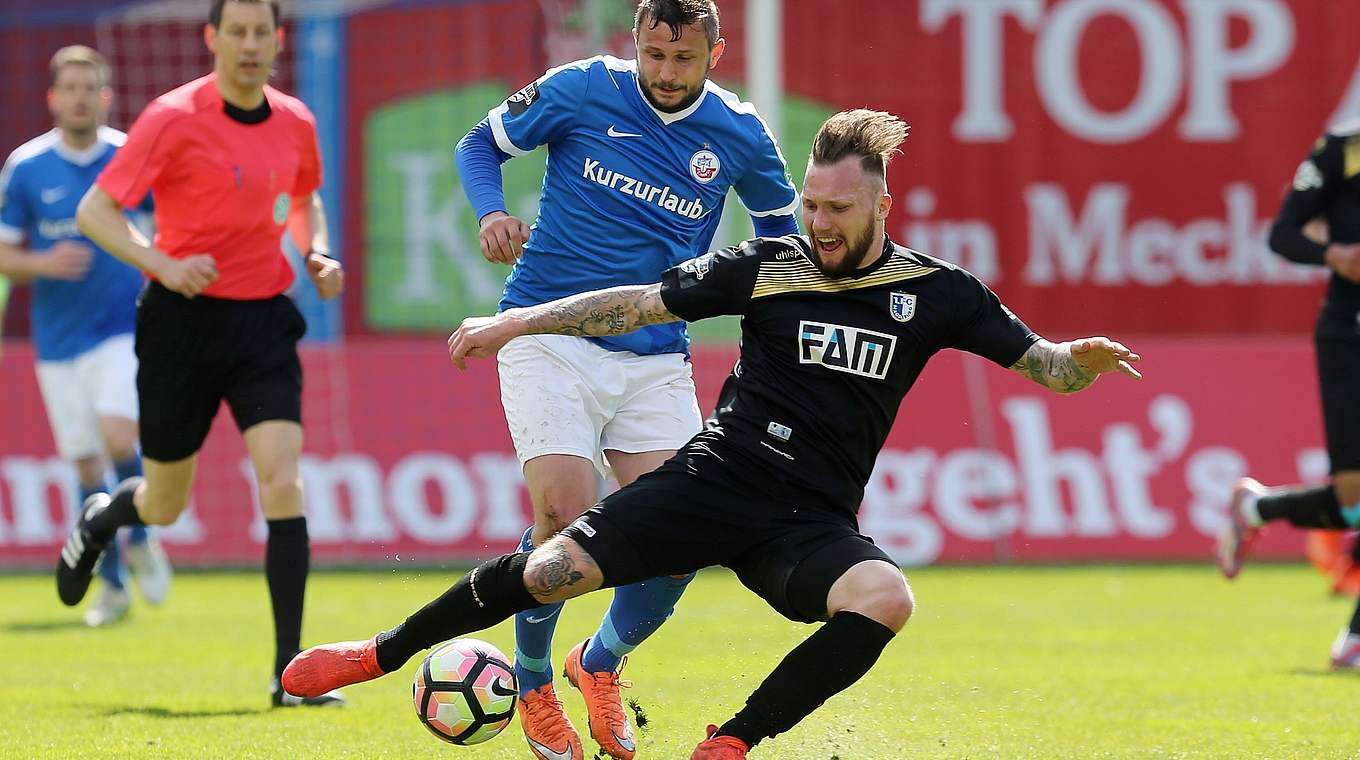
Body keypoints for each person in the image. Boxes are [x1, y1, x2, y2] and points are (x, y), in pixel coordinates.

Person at [283, 110, 1142, 758]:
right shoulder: (768, 265)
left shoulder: (939, 290)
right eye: (810, 204)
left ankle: (729, 742)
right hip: (713, 479)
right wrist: (516, 324)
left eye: (840, 208)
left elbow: (1044, 365)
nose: (821, 223)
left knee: (886, 598)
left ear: (885, 201)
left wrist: (1078, 358)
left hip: (807, 522)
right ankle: (382, 652)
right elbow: (634, 303)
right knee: (549, 570)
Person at [453, 1, 799, 757]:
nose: (666, 74)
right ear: (635, 44)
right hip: (545, 334)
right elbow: (479, 144)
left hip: (654, 356)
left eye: (682, 59)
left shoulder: (740, 134)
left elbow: (784, 242)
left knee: (680, 537)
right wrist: (490, 214)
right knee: (566, 514)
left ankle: (599, 663)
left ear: (715, 51)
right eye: (653, 56)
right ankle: (536, 680)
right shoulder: (580, 88)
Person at [54, 0, 346, 707]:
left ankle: (292, 677)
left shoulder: (297, 121)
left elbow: (306, 198)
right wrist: (159, 262)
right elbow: (97, 212)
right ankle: (101, 519)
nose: (250, 45)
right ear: (212, 38)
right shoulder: (171, 117)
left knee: (283, 482)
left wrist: (316, 251)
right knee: (163, 503)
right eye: (236, 32)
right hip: (180, 323)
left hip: (263, 325)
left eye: (261, 32)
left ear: (276, 40)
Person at [0, 45, 171, 627]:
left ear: (105, 96)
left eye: (89, 87)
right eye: (68, 87)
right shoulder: (26, 167)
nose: (78, 97)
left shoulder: (129, 157)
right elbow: (3, 251)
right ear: (52, 97)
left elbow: (162, 231)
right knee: (83, 466)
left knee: (119, 434)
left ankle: (143, 535)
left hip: (121, 326)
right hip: (57, 340)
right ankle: (113, 584)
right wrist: (44, 264)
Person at [1218, 117, 1360, 669]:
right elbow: (1283, 234)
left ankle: (1353, 640)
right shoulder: (1342, 151)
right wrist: (1335, 256)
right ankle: (1256, 507)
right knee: (1353, 502)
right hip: (1349, 332)